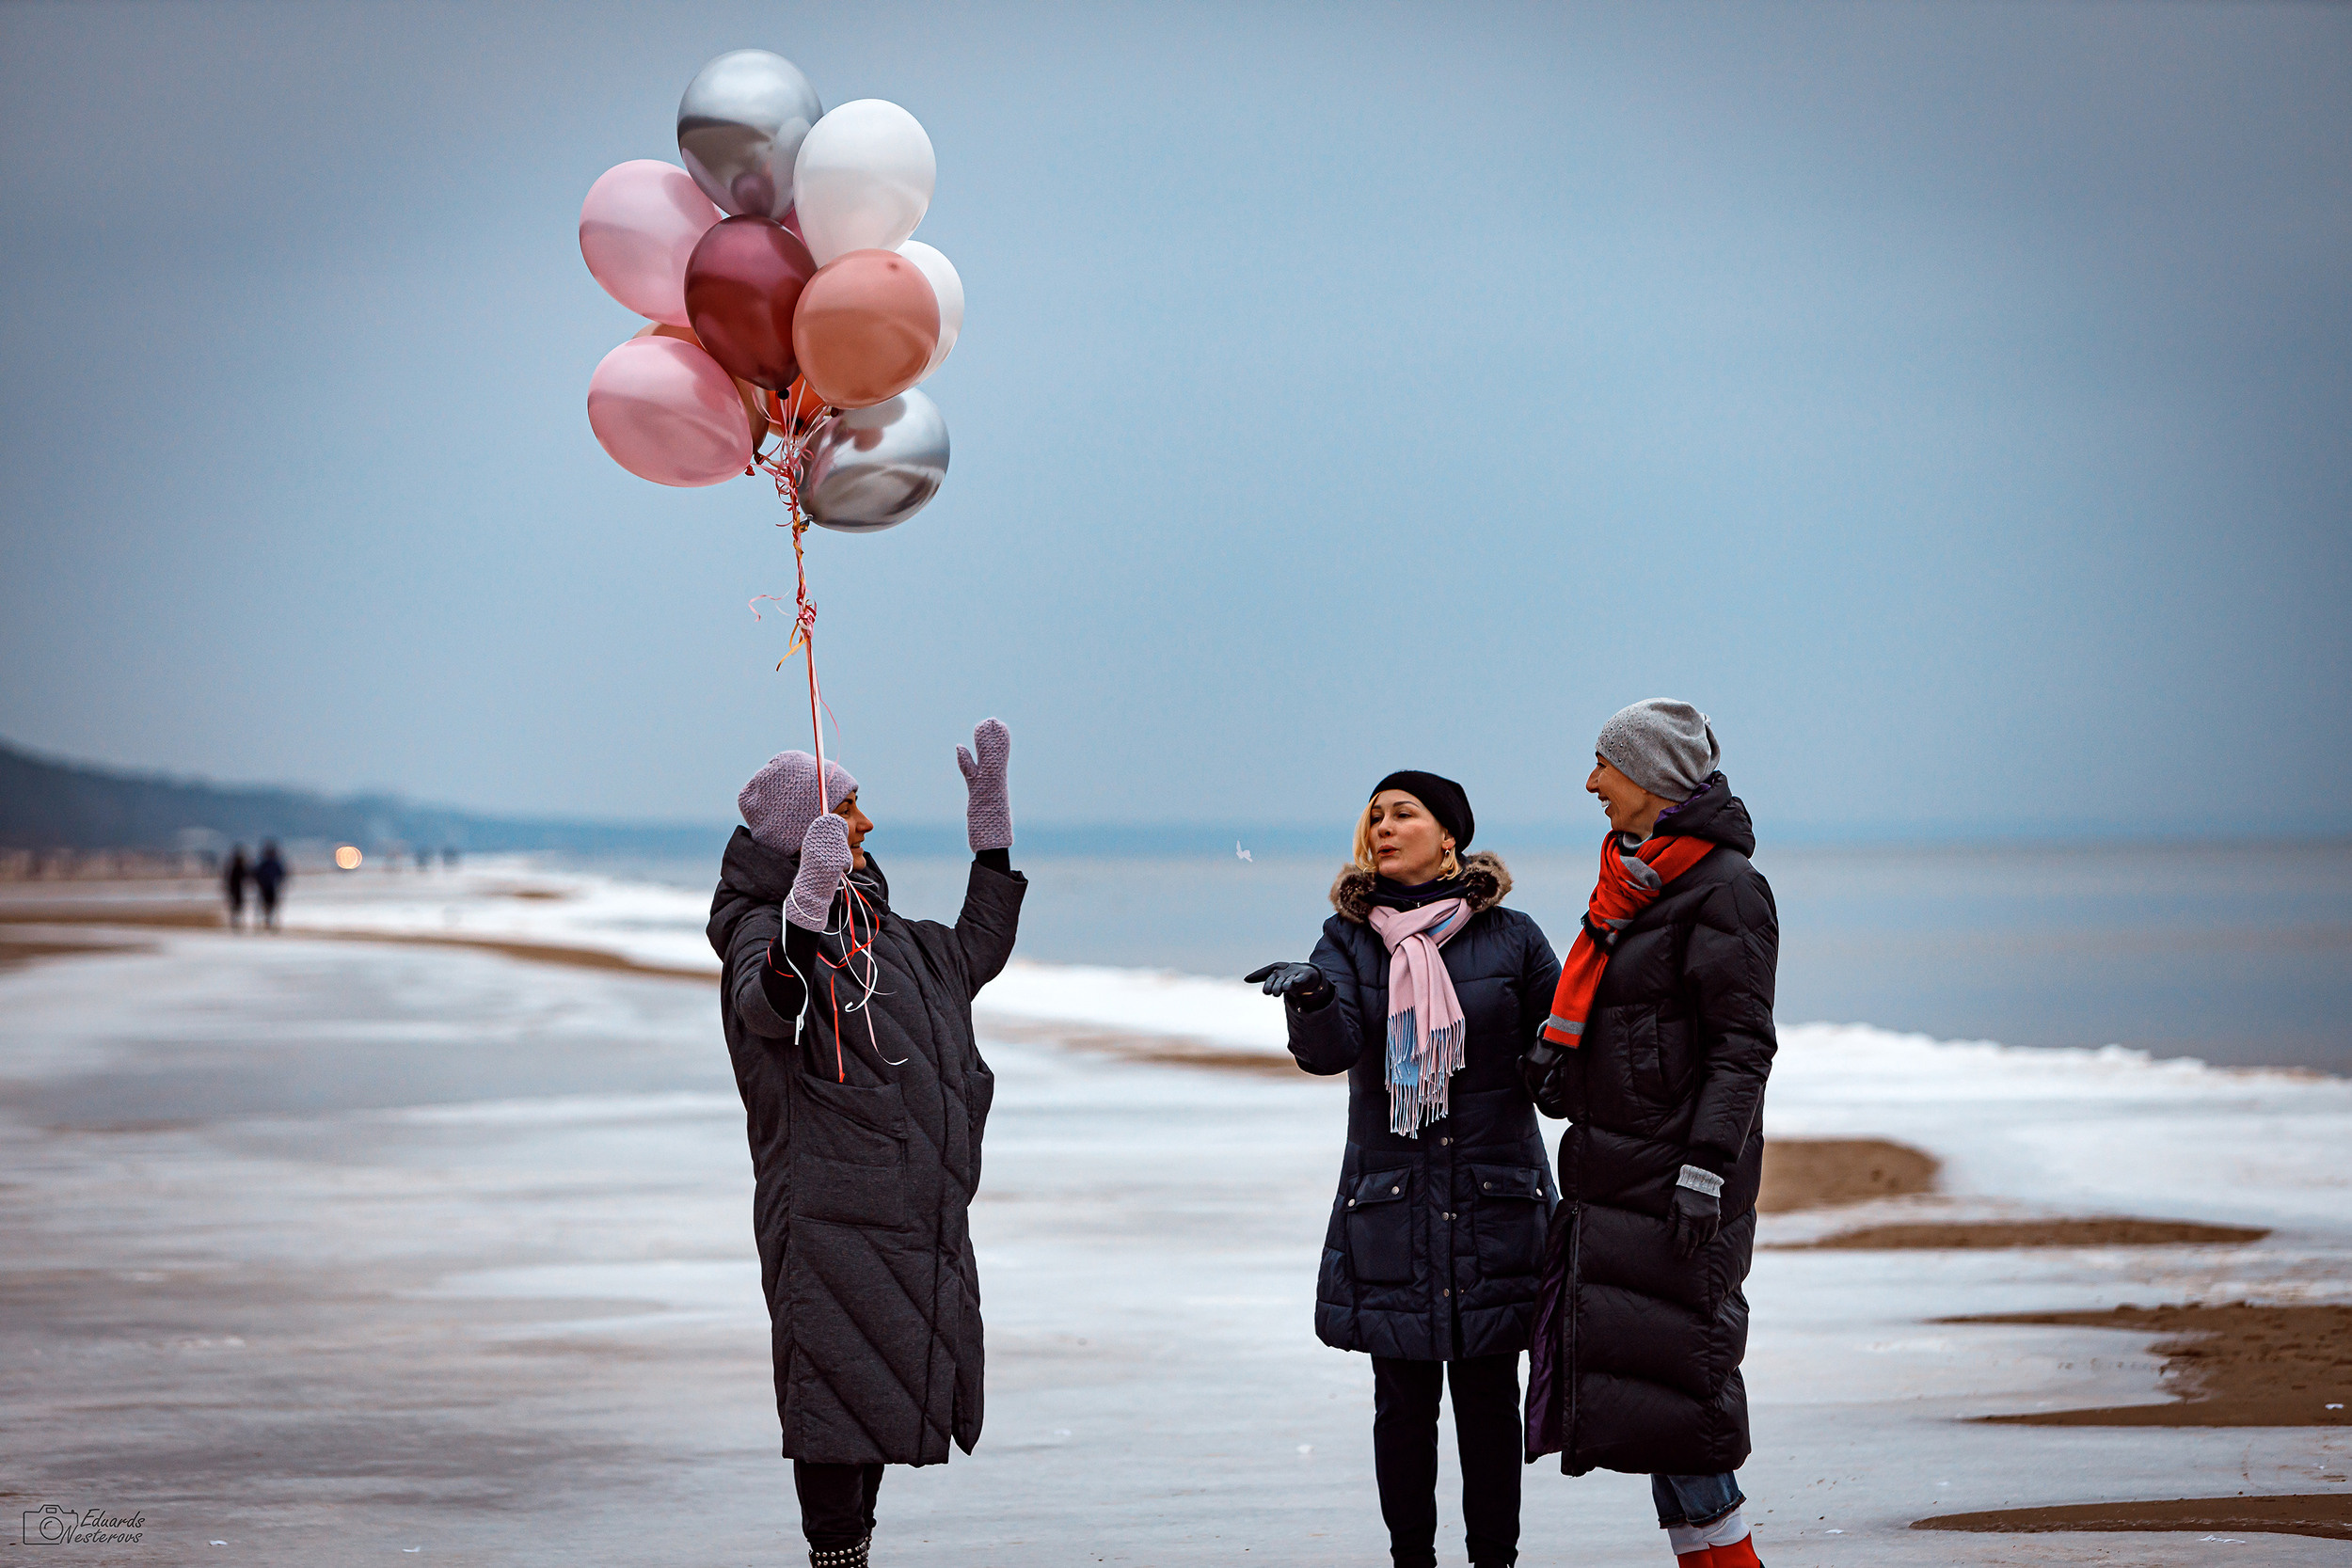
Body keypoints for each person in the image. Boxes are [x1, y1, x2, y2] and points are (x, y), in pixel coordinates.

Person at [706, 721, 1025, 1568]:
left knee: (874, 1398)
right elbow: (768, 1002)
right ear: (802, 833)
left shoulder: (884, 935)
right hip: (825, 1214)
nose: (866, 823)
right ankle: (838, 1556)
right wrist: (803, 908)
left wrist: (990, 835)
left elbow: (971, 954)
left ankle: (854, 1551)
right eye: (849, 807)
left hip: (904, 1214)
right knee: (832, 1400)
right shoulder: (758, 928)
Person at [1246, 771, 1561, 1568]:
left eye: (1403, 813)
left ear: (1449, 834)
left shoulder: (1513, 937)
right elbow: (1331, 1053)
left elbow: (1559, 1059)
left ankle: (1495, 1560)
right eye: (1376, 816)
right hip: (1393, 1209)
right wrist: (1313, 999)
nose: (1383, 827)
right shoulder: (1348, 939)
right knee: (1403, 1406)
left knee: (1490, 1402)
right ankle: (1410, 1560)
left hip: (1495, 1204)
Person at [1520, 701, 1778, 1568]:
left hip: (1678, 1186)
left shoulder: (1727, 888)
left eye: (1605, 763)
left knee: (1684, 1400)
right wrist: (1559, 1064)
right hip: (1620, 1175)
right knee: (1657, 1402)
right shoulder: (1633, 882)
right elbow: (1633, 1028)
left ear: (1652, 775)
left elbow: (1741, 1047)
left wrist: (1705, 1170)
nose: (1591, 782)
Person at [251, 841, 288, 930]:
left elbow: (281, 874)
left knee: (270, 906)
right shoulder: (266, 863)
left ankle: (268, 922)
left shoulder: (270, 863)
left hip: (270, 887)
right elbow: (256, 874)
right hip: (266, 887)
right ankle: (266, 922)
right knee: (266, 906)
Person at [222, 846, 250, 930]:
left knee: (236, 906)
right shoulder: (236, 867)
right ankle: (236, 922)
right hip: (236, 889)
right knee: (237, 906)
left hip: (236, 889)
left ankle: (236, 922)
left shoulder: (234, 867)